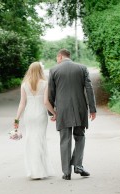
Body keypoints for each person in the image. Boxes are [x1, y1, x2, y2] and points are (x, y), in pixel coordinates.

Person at [48, 49, 97, 180]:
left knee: (65, 139)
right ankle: (78, 165)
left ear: (60, 57)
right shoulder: (82, 68)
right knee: (80, 136)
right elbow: (89, 89)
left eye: (56, 58)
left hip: (62, 110)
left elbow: (50, 93)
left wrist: (51, 112)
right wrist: (93, 109)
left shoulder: (53, 70)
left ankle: (66, 172)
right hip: (80, 108)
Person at [14, 62, 56, 179]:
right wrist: (54, 113)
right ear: (40, 70)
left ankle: (34, 170)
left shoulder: (24, 85)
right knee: (40, 139)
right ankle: (40, 170)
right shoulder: (44, 83)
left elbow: (22, 103)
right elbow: (46, 102)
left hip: (29, 115)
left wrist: (17, 119)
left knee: (31, 140)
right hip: (40, 115)